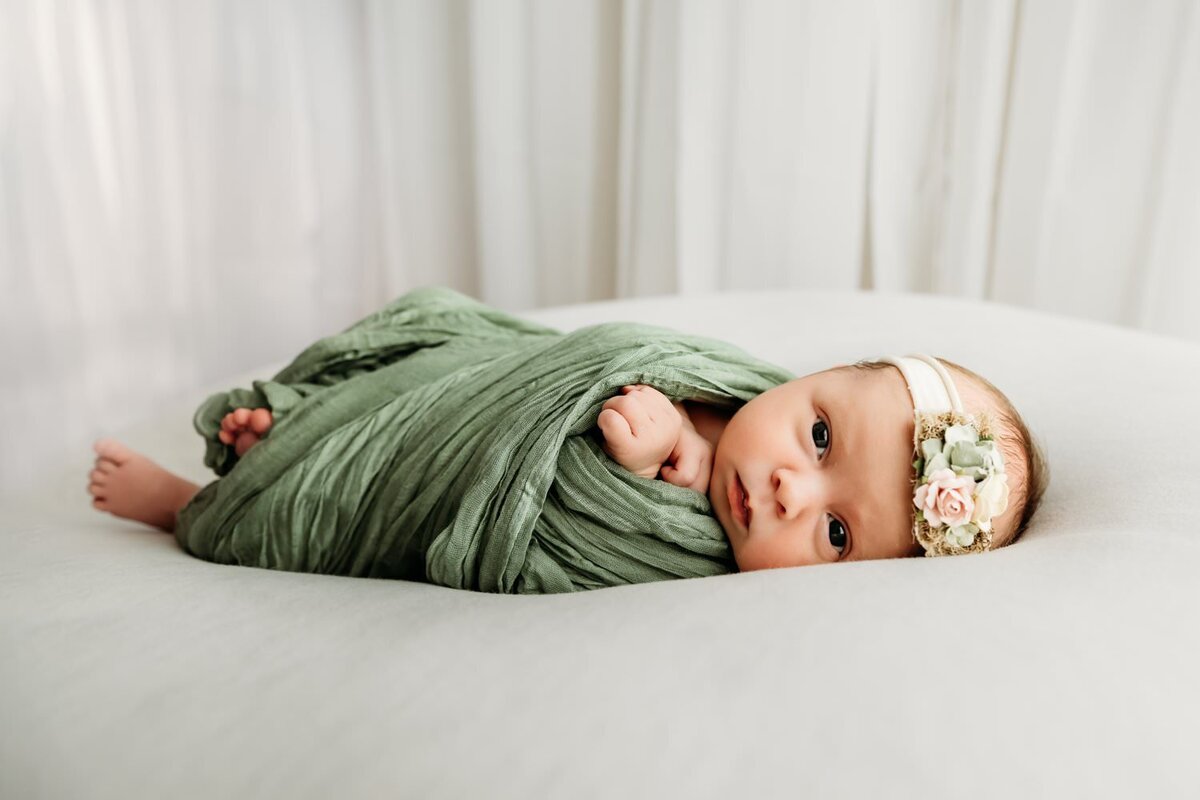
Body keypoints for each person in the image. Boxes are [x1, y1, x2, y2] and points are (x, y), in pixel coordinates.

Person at [87, 289, 1048, 589]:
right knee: (444, 339)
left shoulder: (694, 550)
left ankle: (195, 504)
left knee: (341, 507)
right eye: (822, 433)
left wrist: (654, 458)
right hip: (482, 392)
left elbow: (579, 511)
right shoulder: (729, 379)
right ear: (811, 378)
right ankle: (317, 418)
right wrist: (680, 421)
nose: (794, 490)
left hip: (466, 470)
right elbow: (599, 364)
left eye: (837, 536)